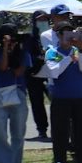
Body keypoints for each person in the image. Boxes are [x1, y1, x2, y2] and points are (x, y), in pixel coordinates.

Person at [39, 23, 82, 163]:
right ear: (58, 36)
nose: (68, 37)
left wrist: (81, 50)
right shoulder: (52, 52)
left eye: (70, 33)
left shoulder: (80, 51)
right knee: (60, 134)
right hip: (61, 99)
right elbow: (55, 71)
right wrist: (69, 59)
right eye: (64, 34)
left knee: (81, 133)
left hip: (81, 97)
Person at [0, 24, 32, 163]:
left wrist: (14, 54)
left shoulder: (24, 54)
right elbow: (2, 67)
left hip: (18, 93)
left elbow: (18, 72)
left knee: (18, 133)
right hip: (0, 93)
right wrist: (6, 51)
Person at [24, 10, 50, 140]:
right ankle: (42, 130)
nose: (43, 22)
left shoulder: (52, 36)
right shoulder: (29, 38)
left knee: (57, 101)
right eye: (40, 20)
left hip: (51, 74)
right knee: (37, 103)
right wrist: (39, 58)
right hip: (34, 74)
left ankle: (62, 129)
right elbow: (27, 56)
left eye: (45, 19)